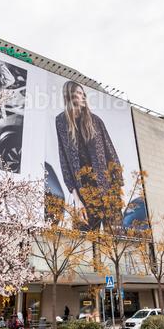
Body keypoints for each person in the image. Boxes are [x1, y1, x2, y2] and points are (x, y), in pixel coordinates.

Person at [55, 81, 124, 230]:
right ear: (69, 97)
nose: (82, 97)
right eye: (77, 94)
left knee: (116, 243)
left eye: (82, 94)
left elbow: (111, 153)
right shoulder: (61, 122)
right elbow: (64, 160)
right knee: (82, 242)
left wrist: (118, 189)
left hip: (108, 190)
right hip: (84, 194)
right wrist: (77, 200)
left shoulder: (96, 121)